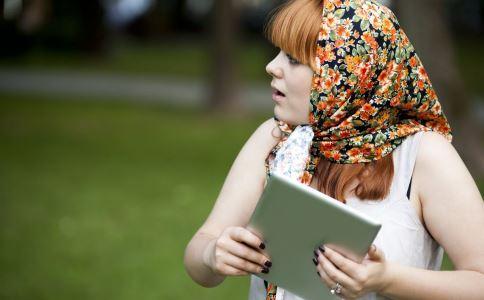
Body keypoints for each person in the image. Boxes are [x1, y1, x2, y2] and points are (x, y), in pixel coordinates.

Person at [183, 0, 484, 299]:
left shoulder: (421, 154)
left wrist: (386, 279)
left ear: (349, 74)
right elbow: (200, 252)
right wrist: (213, 255)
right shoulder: (276, 139)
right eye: (278, 53)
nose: (272, 66)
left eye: (294, 59)